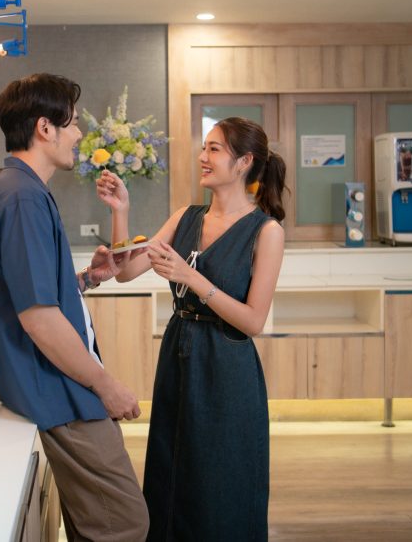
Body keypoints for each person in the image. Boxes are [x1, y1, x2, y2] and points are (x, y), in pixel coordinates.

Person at [0, 73, 150, 542]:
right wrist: (105, 383)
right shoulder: (21, 198)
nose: (77, 135)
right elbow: (38, 318)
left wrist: (88, 278)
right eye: (71, 123)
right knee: (125, 525)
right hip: (62, 391)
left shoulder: (22, 191)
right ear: (44, 128)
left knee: (96, 524)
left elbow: (33, 293)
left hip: (57, 386)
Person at [96, 116, 287, 541]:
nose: (203, 156)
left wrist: (193, 277)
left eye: (215, 149)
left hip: (227, 363)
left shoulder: (267, 231)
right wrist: (121, 212)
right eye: (205, 147)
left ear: (244, 163)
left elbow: (253, 320)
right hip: (179, 351)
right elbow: (127, 272)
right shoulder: (185, 216)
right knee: (171, 466)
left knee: (219, 478)